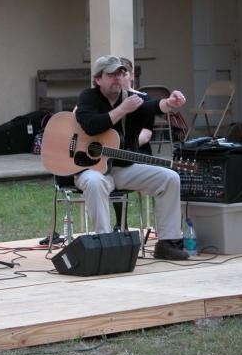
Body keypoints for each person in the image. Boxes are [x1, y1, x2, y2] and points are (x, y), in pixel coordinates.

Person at [74, 55, 190, 260]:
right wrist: (121, 110)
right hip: (91, 169)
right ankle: (105, 245)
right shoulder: (88, 98)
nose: (117, 78)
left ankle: (167, 243)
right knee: (93, 182)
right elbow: (91, 124)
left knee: (170, 178)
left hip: (123, 169)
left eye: (120, 73)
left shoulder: (132, 98)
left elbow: (152, 106)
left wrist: (169, 103)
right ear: (98, 79)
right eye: (111, 74)